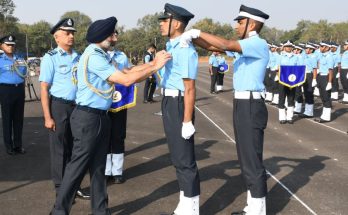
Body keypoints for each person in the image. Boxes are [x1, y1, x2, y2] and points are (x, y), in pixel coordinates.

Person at [50, 16, 170, 215]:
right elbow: (125, 79)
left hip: (99, 117)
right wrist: (155, 66)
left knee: (99, 168)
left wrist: (152, 64)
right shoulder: (94, 56)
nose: (115, 36)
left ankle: (100, 210)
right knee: (77, 168)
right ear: (103, 36)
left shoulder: (101, 54)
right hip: (88, 117)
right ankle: (59, 210)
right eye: (112, 33)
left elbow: (128, 70)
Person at [181, 4, 269, 215]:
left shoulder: (258, 43)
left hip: (251, 104)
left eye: (240, 22)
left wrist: (197, 32)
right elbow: (214, 47)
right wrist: (192, 39)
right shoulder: (246, 44)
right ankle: (253, 207)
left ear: (252, 24)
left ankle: (258, 210)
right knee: (245, 156)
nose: (237, 26)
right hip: (242, 104)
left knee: (252, 158)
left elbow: (225, 43)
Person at [39, 18, 90, 200]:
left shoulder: (79, 57)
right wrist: (47, 116)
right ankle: (61, 189)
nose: (71, 36)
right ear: (57, 37)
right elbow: (44, 88)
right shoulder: (50, 58)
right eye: (67, 33)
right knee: (60, 149)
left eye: (72, 33)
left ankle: (73, 186)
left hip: (77, 107)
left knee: (76, 148)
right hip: (59, 106)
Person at [158, 3, 200, 215]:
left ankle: (192, 208)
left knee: (185, 159)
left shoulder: (184, 50)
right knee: (177, 157)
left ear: (177, 24)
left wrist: (186, 121)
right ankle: (185, 202)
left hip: (179, 103)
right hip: (169, 102)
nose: (161, 24)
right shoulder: (171, 47)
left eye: (164, 21)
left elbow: (190, 88)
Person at [105, 31, 132, 184]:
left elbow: (128, 74)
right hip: (102, 102)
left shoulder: (122, 57)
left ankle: (117, 171)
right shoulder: (98, 56)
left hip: (120, 102)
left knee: (118, 135)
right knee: (104, 136)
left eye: (115, 34)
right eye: (111, 34)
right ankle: (106, 170)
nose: (114, 37)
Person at [0, 35, 26, 155]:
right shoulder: (0, 59)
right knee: (7, 119)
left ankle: (18, 146)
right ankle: (9, 146)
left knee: (18, 120)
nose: (11, 47)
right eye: (8, 44)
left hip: (19, 90)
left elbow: (24, 73)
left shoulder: (19, 58)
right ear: (2, 45)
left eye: (12, 44)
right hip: (6, 90)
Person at [313, 41, 334, 123]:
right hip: (320, 76)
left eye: (322, 46)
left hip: (326, 77)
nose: (320, 48)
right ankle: (324, 116)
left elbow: (331, 70)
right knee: (322, 96)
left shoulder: (329, 57)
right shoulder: (321, 55)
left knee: (326, 97)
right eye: (320, 46)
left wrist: (329, 82)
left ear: (327, 48)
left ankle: (327, 117)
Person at [296, 43, 318, 118]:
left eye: (309, 49)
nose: (307, 50)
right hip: (303, 74)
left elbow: (315, 69)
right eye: (306, 48)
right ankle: (306, 111)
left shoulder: (313, 57)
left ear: (312, 50)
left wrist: (314, 79)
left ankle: (309, 112)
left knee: (309, 93)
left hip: (310, 75)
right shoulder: (304, 56)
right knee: (305, 93)